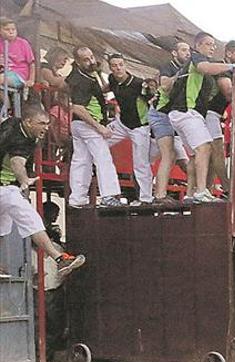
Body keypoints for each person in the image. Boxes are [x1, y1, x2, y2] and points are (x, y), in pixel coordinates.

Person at [0, 106, 85, 279]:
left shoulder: (12, 123)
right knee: (31, 219)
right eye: (42, 123)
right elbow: (17, 163)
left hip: (6, 188)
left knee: (2, 228)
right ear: (28, 122)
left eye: (47, 123)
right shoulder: (24, 141)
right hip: (6, 188)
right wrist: (24, 180)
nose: (46, 127)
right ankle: (60, 258)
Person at [162, 32, 235, 204]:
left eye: (214, 44)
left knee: (195, 155)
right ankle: (201, 191)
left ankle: (191, 194)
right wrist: (232, 67)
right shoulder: (197, 58)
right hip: (187, 111)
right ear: (198, 45)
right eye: (208, 44)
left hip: (184, 113)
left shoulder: (200, 62)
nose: (212, 47)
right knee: (206, 148)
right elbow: (205, 68)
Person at [66, 46, 124, 208]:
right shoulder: (81, 80)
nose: (91, 61)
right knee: (103, 158)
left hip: (79, 124)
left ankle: (77, 198)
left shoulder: (86, 75)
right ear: (77, 62)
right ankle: (109, 195)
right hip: (88, 123)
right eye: (86, 59)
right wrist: (99, 127)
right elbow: (77, 107)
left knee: (81, 160)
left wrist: (100, 74)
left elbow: (101, 90)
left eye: (91, 57)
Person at [106, 54, 153, 206]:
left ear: (125, 65)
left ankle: (145, 198)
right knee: (99, 140)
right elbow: (105, 88)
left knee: (140, 163)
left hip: (140, 127)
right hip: (122, 123)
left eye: (120, 64)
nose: (118, 68)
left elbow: (153, 100)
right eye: (114, 65)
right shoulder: (112, 80)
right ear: (110, 68)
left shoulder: (138, 84)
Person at [150, 41, 192, 205]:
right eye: (183, 50)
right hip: (161, 114)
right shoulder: (168, 67)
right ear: (174, 53)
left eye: (188, 50)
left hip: (174, 116)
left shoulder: (189, 69)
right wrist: (181, 73)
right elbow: (165, 86)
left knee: (183, 159)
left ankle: (197, 191)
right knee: (169, 155)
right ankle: (159, 195)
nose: (187, 53)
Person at [205, 40, 235, 195]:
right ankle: (228, 189)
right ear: (229, 53)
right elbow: (228, 92)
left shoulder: (232, 71)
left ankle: (206, 190)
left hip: (213, 114)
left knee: (210, 157)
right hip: (207, 113)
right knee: (217, 152)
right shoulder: (222, 68)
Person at [0, 17, 35, 93]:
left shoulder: (23, 43)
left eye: (13, 29)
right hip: (3, 72)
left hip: (18, 75)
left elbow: (31, 63)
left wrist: (31, 80)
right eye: (7, 29)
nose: (11, 32)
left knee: (1, 79)